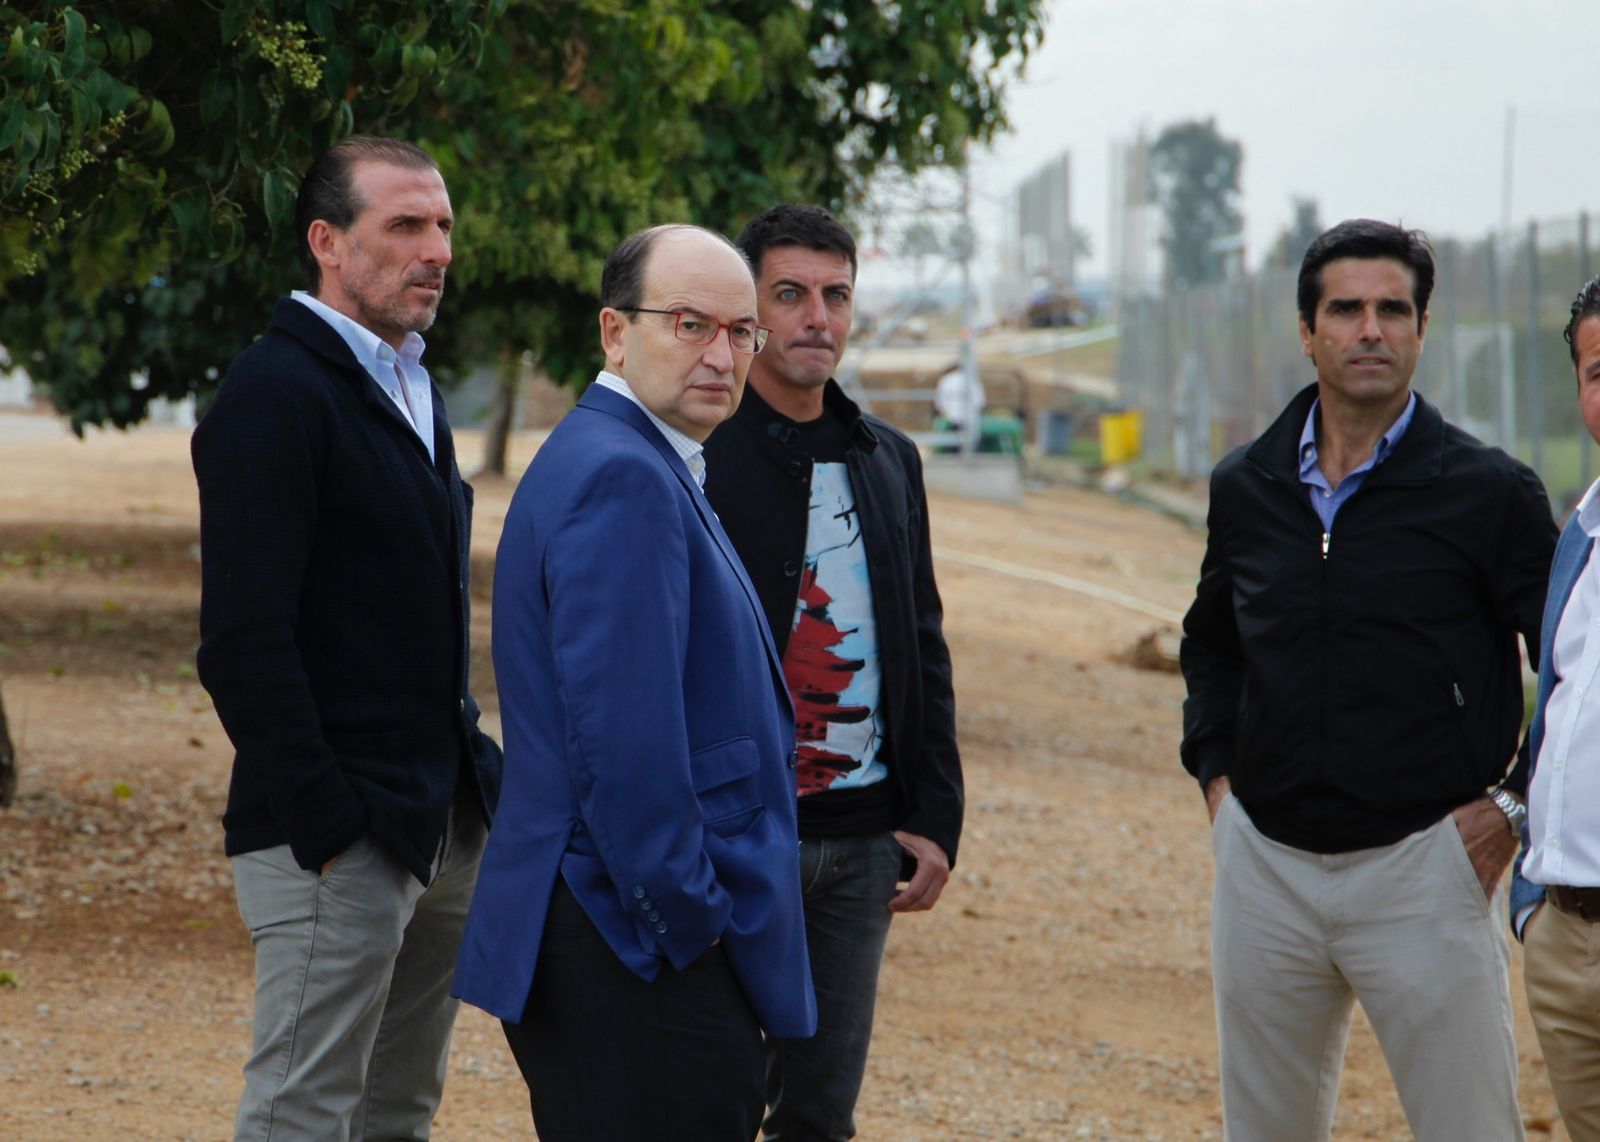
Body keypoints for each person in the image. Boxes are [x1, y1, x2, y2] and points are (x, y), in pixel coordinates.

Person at [1179, 218, 1556, 1141]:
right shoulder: (1247, 485)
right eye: (1346, 310)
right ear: (1307, 332)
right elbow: (1212, 643)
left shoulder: (1491, 494)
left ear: (1423, 329)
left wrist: (1511, 808)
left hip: (1428, 867)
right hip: (1265, 869)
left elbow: (1577, 669)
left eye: (1394, 309)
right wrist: (1218, 781)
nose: (1371, 330)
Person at [452, 224, 815, 1142]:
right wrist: (691, 924)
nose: (722, 355)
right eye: (690, 324)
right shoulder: (623, 476)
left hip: (615, 933)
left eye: (741, 332)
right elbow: (624, 752)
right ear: (616, 332)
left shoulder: (632, 456)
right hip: (632, 941)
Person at [191, 136, 502, 1140]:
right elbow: (242, 640)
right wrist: (326, 822)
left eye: (443, 225)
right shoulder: (274, 391)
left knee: (396, 1112)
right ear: (327, 241)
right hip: (337, 837)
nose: (436, 250)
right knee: (301, 1114)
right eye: (404, 225)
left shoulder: (410, 382)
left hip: (434, 819)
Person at [703, 203, 963, 1141]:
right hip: (732, 836)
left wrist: (934, 813)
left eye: (837, 295)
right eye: (791, 294)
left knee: (818, 1116)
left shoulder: (888, 459)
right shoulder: (696, 452)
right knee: (708, 1100)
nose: (818, 317)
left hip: (860, 846)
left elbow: (920, 640)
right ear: (750, 312)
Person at [1511, 275, 1600, 1141]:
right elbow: (1556, 716)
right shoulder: (1580, 533)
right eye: (1599, 372)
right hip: (1565, 943)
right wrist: (1531, 900)